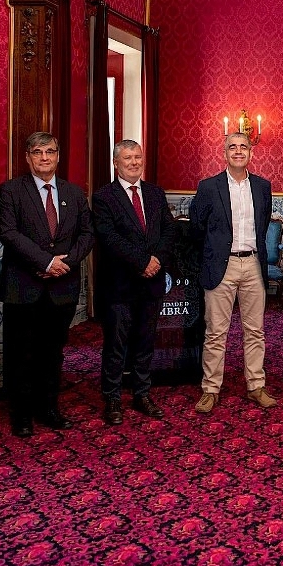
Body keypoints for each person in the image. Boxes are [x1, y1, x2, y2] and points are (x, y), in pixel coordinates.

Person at [0, 132, 94, 437]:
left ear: (58, 156)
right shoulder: (11, 190)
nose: (44, 157)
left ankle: (49, 408)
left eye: (50, 151)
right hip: (23, 286)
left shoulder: (74, 193)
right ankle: (22, 415)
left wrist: (66, 262)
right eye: (37, 152)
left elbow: (87, 234)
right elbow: (9, 233)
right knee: (21, 353)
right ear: (28, 157)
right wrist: (46, 262)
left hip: (61, 288)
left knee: (52, 351)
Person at [92, 139, 180, 425]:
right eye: (128, 158)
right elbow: (109, 237)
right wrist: (142, 262)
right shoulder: (104, 196)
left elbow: (169, 230)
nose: (134, 162)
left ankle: (142, 394)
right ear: (116, 163)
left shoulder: (155, 193)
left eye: (138, 157)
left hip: (151, 283)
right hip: (119, 284)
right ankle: (112, 398)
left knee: (145, 342)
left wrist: (157, 260)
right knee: (116, 344)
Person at [191, 132, 275, 413]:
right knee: (216, 332)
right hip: (220, 266)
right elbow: (197, 228)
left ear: (251, 152)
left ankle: (256, 386)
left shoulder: (262, 187)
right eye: (232, 147)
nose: (238, 151)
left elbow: (263, 224)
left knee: (255, 331)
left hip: (253, 265)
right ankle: (210, 389)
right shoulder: (208, 187)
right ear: (224, 153)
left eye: (243, 147)